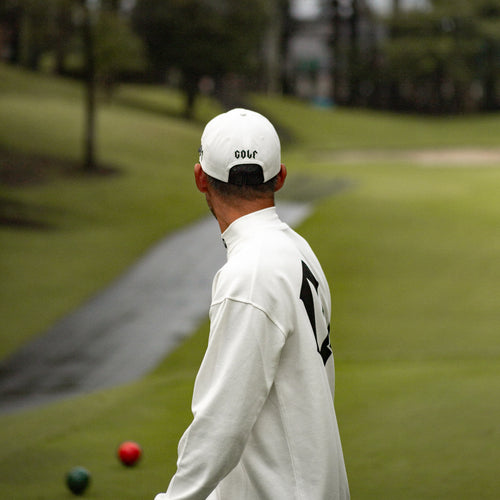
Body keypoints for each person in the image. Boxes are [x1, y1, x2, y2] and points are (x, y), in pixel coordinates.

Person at [154, 108, 349, 500]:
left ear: (200, 179)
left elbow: (221, 426)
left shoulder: (250, 275)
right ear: (279, 177)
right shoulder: (296, 249)